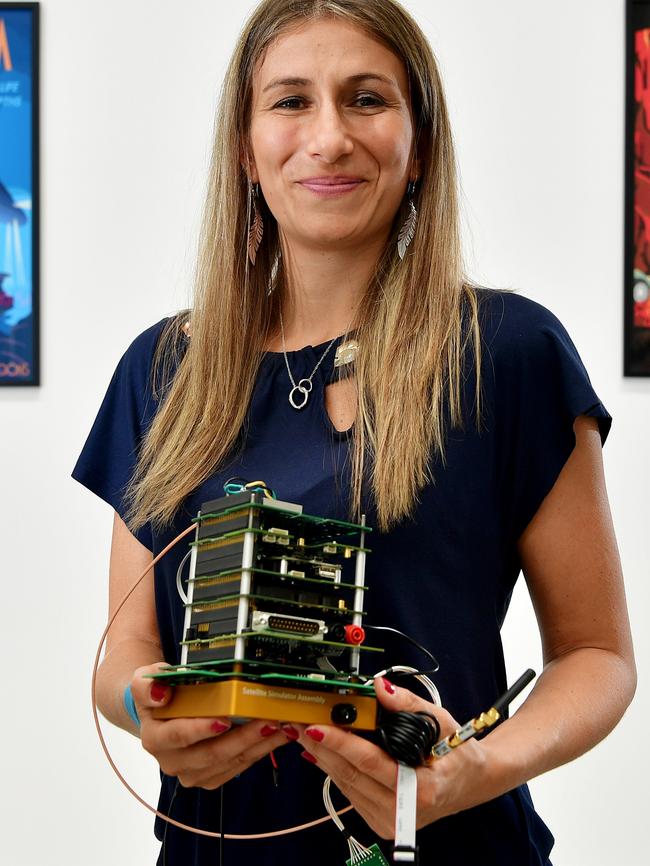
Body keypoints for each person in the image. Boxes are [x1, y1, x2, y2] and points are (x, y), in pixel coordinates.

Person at [72, 1, 636, 864]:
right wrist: (153, 707)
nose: (328, 138)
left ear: (420, 146)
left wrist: (472, 770)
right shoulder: (160, 369)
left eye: (367, 99)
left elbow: (598, 656)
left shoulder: (509, 353)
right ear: (244, 148)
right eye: (291, 101)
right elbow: (129, 648)